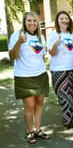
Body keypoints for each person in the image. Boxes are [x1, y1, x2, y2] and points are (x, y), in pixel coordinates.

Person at [8, 12, 50, 144]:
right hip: (24, 76)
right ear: (24, 22)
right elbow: (13, 56)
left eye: (34, 21)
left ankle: (37, 129)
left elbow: (42, 56)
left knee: (39, 103)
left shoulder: (40, 37)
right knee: (29, 106)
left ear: (37, 23)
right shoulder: (17, 35)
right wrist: (19, 43)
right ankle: (29, 131)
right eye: (29, 21)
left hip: (41, 75)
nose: (32, 23)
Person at [48, 11, 73, 132]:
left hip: (72, 68)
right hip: (58, 70)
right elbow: (51, 53)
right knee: (64, 97)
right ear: (57, 21)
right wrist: (56, 44)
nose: (64, 21)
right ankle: (69, 119)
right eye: (61, 18)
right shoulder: (53, 35)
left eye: (66, 18)